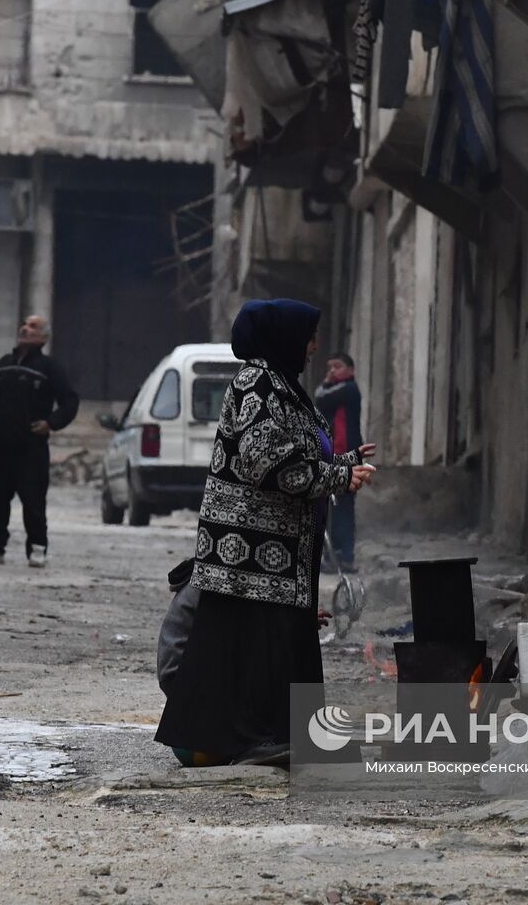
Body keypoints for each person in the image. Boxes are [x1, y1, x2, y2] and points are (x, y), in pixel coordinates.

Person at [155, 298, 377, 766]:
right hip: (248, 552)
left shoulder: (284, 387)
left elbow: (297, 454)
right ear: (284, 337)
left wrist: (345, 463)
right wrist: (338, 478)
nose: (314, 347)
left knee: (280, 645)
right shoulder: (256, 382)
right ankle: (243, 741)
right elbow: (265, 462)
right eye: (309, 336)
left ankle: (285, 736)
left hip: (281, 554)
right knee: (251, 646)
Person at [0, 315, 79, 568]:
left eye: (33, 327)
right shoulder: (4, 364)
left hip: (31, 449)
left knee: (33, 501)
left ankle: (37, 549)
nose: (25, 328)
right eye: (25, 324)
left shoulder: (50, 368)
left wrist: (50, 423)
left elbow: (70, 402)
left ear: (44, 338)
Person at [314, 352, 364, 572]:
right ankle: (332, 556)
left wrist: (325, 383)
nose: (333, 371)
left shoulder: (349, 390)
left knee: (343, 506)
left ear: (351, 371)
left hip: (348, 458)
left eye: (338, 366)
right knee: (331, 506)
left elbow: (320, 398)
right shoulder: (337, 392)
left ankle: (345, 556)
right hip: (333, 457)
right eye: (330, 367)